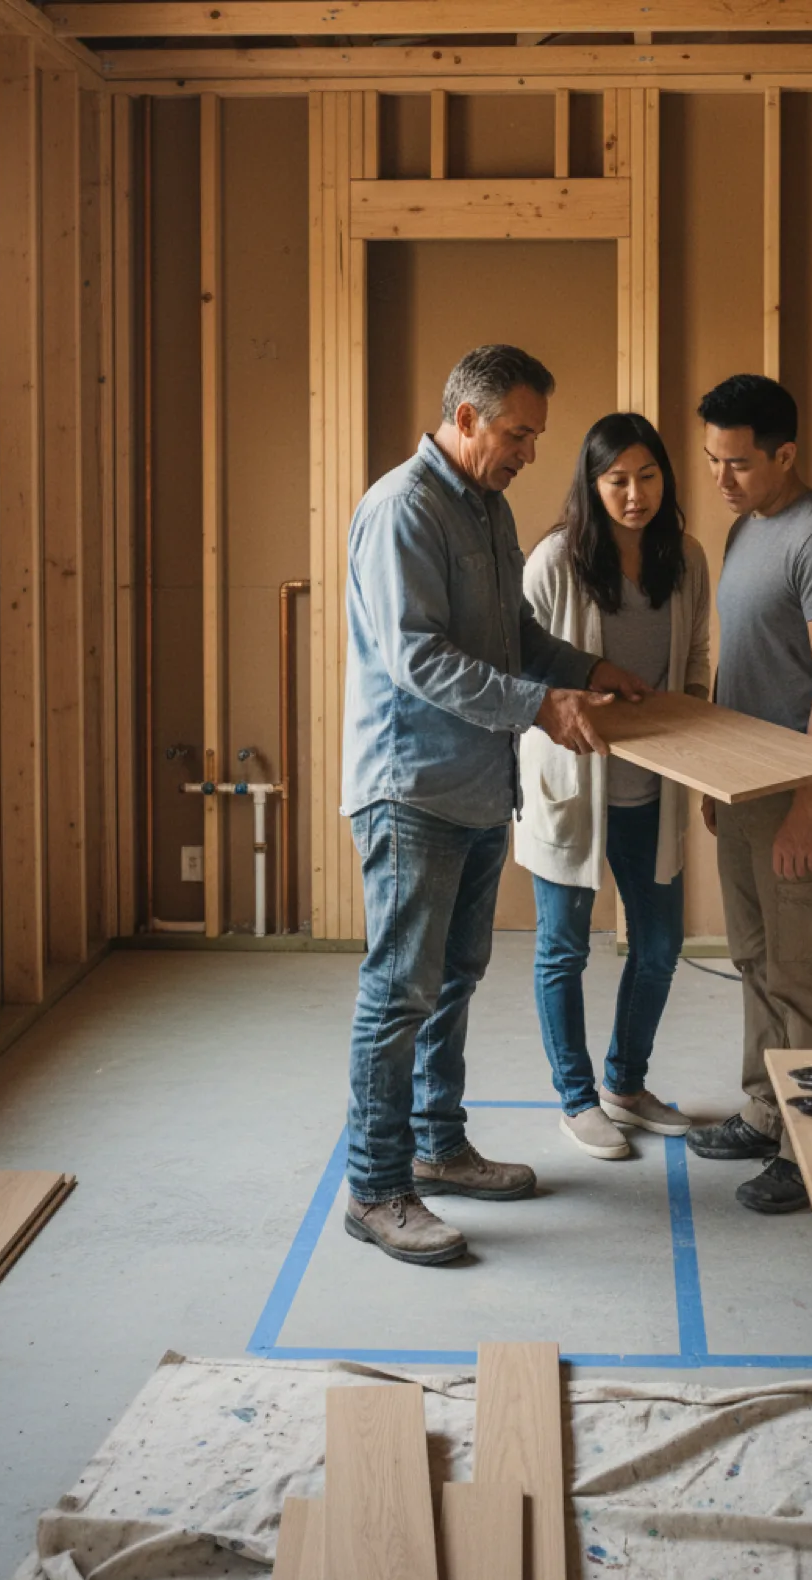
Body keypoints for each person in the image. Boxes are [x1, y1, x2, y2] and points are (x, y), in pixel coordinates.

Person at [340, 344, 651, 1266]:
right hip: (412, 788)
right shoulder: (403, 508)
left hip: (474, 790)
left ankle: (437, 1146)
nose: (528, 452)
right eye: (518, 433)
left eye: (535, 436)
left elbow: (511, 635)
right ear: (467, 417)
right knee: (397, 995)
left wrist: (587, 670)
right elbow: (419, 660)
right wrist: (542, 708)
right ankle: (376, 1186)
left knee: (453, 980)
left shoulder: (486, 506)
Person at [683, 374, 812, 1215]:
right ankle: (767, 1112)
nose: (721, 479)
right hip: (744, 784)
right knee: (756, 962)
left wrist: (804, 803)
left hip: (802, 791)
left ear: (786, 454)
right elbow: (740, 660)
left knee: (808, 974)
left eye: (739, 463)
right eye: (714, 461)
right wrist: (718, 773)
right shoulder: (744, 530)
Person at [516, 413, 710, 1160]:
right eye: (617, 480)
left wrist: (693, 717)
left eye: (648, 477)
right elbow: (520, 665)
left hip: (652, 789)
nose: (635, 495)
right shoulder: (556, 560)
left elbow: (694, 652)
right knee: (563, 948)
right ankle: (575, 1098)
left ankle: (624, 1085)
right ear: (592, 486)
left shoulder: (685, 558)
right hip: (570, 783)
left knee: (659, 945)